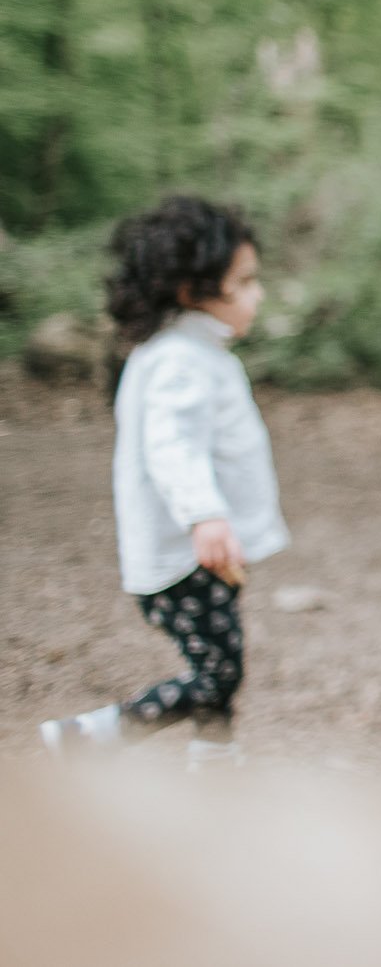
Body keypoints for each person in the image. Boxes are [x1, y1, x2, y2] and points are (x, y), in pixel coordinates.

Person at [39, 195, 288, 769]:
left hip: (202, 552)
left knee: (220, 663)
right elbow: (171, 447)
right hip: (185, 554)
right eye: (245, 281)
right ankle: (96, 733)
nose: (258, 294)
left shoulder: (191, 353)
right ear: (191, 291)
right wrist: (204, 513)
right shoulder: (180, 360)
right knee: (221, 670)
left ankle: (214, 763)